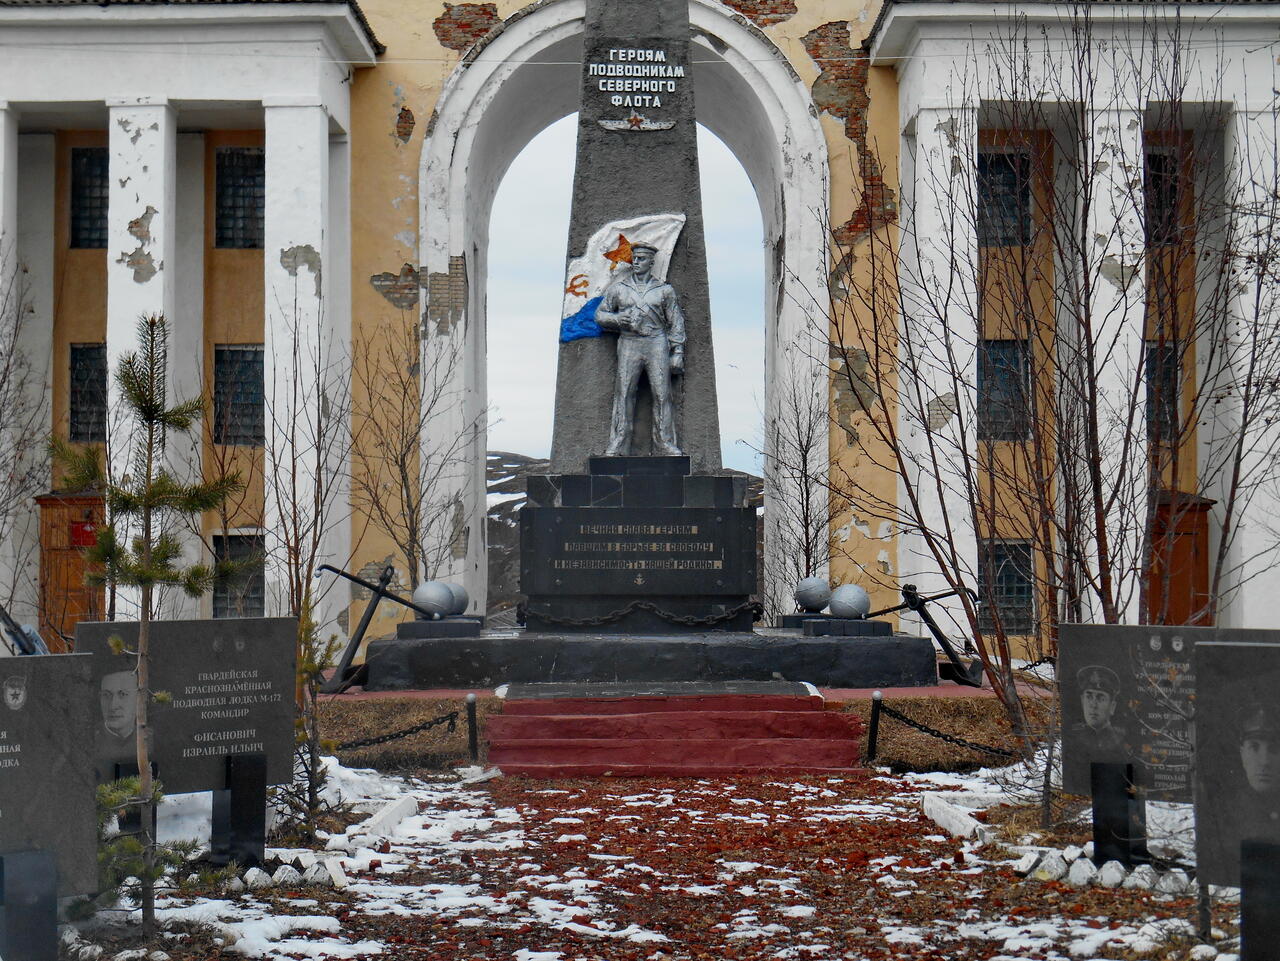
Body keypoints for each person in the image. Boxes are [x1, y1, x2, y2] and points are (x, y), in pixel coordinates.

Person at [594, 243, 686, 456]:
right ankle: (619, 443)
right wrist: (617, 319)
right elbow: (600, 315)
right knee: (624, 393)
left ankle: (664, 443)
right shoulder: (619, 289)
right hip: (629, 343)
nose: (636, 262)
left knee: (662, 394)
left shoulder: (664, 290)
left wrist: (677, 351)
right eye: (634, 258)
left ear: (651, 262)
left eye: (642, 258)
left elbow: (676, 322)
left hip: (656, 342)